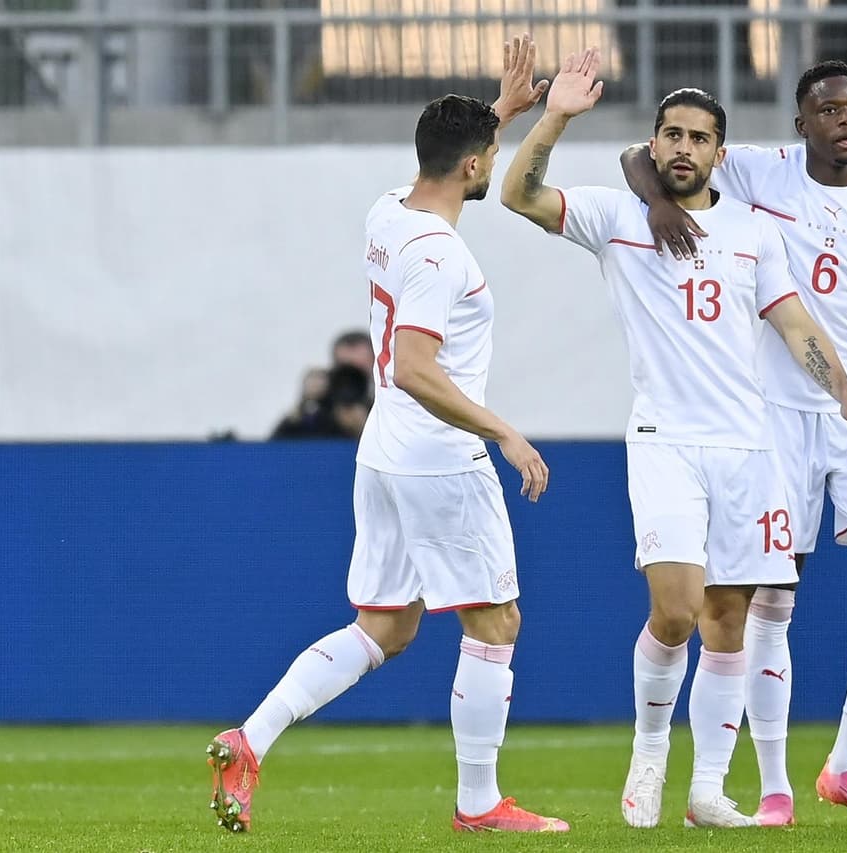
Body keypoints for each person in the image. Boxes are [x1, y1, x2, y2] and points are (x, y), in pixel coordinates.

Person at [501, 48, 847, 829]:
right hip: (665, 440)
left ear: (718, 150)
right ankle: (649, 748)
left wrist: (845, 389)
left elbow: (793, 320)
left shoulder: (752, 231)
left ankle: (709, 789)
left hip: (748, 447)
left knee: (730, 620)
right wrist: (557, 117)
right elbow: (517, 193)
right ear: (654, 141)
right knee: (675, 610)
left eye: (698, 136)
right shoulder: (618, 218)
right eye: (669, 133)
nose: (682, 146)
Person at [205, 36, 569, 835]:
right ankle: (480, 804)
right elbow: (413, 367)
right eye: (489, 153)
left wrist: (499, 112)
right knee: (494, 622)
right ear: (476, 167)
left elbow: (449, 158)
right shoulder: (441, 254)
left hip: (383, 454)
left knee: (385, 627)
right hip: (439, 455)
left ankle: (249, 738)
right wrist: (505, 429)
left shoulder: (389, 209)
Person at [620, 58, 847, 828]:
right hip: (769, 415)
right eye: (830, 110)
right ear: (801, 123)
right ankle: (774, 786)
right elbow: (644, 156)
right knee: (770, 599)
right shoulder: (760, 172)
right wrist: (655, 204)